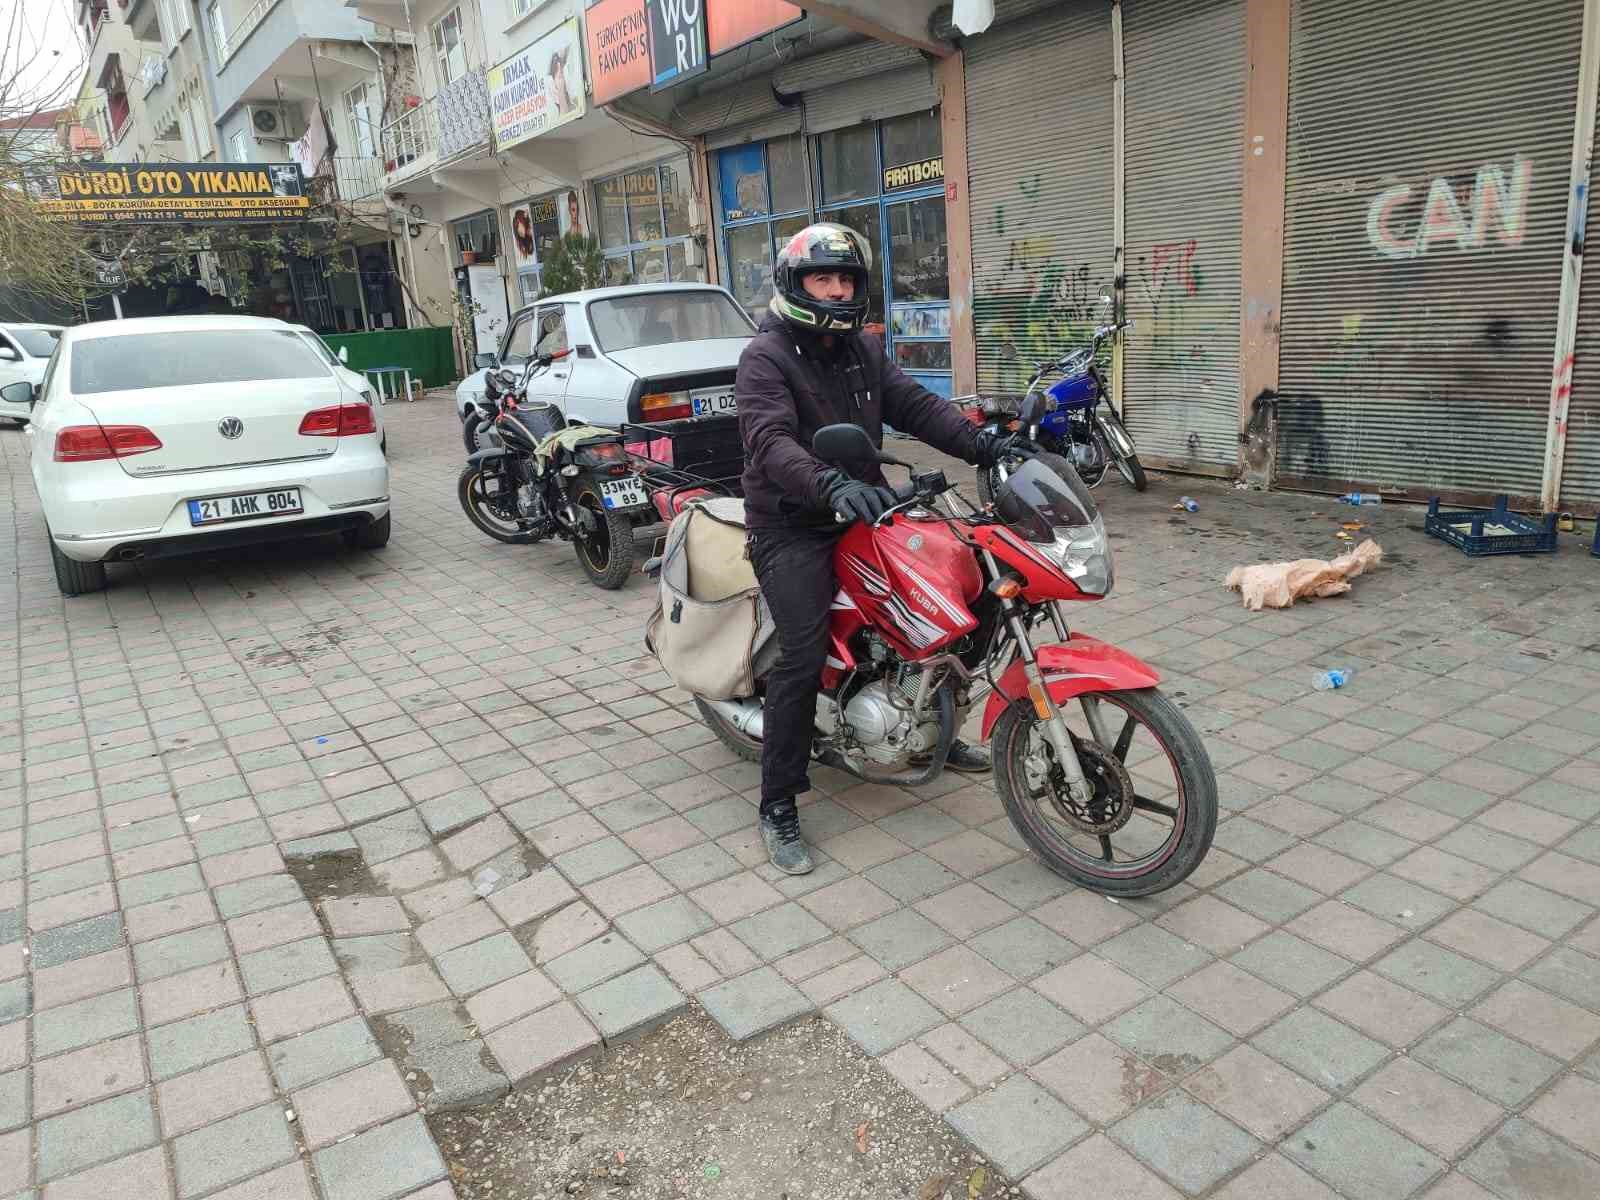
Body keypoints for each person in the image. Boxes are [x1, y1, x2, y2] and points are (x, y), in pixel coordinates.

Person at [736, 222, 1023, 875]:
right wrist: (829, 483)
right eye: (823, 279)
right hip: (791, 522)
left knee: (968, 590)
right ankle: (778, 803)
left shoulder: (862, 352)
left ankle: (935, 728)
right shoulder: (767, 356)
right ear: (795, 284)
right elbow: (769, 441)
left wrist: (987, 444)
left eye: (846, 279)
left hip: (866, 506)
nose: (836, 291)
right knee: (802, 650)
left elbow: (918, 407)